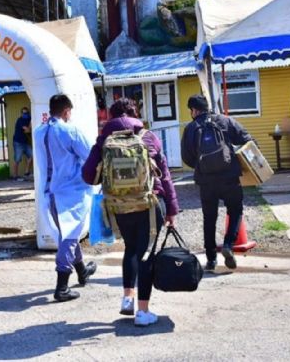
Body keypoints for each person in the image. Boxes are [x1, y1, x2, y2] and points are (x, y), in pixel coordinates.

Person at [82, 98, 179, 327]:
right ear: (136, 113)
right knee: (146, 253)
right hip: (150, 202)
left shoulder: (105, 139)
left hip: (119, 205)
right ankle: (143, 312)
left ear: (111, 117)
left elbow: (87, 175)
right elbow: (165, 176)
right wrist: (172, 209)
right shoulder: (149, 137)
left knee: (131, 249)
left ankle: (128, 297)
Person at [33, 95, 97, 302]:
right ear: (66, 111)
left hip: (49, 192)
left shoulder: (39, 132)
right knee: (69, 237)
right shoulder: (70, 131)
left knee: (67, 232)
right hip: (71, 192)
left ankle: (82, 271)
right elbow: (90, 155)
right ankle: (61, 287)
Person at [181, 95, 252, 272]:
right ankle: (228, 244)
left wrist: (202, 165)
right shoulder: (225, 121)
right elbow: (247, 140)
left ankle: (211, 260)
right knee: (235, 211)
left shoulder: (191, 128)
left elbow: (187, 157)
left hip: (206, 181)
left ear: (194, 110)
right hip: (230, 177)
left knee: (209, 218)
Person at [13, 107, 33, 181]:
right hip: (18, 142)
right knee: (17, 159)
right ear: (21, 113)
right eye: (24, 113)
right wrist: (31, 123)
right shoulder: (20, 120)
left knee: (31, 155)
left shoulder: (29, 118)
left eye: (27, 113)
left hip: (25, 142)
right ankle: (15, 176)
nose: (25, 114)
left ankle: (26, 172)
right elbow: (27, 130)